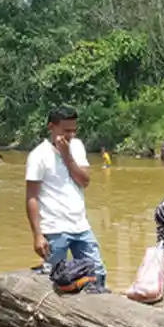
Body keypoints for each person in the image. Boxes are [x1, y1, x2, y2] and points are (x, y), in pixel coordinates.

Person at [25, 106, 107, 289]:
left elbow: (84, 181)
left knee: (97, 273)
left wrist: (67, 156)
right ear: (51, 127)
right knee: (55, 280)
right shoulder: (38, 156)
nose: (70, 134)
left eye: (73, 130)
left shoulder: (76, 147)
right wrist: (37, 235)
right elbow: (31, 197)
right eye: (66, 130)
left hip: (81, 226)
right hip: (54, 229)